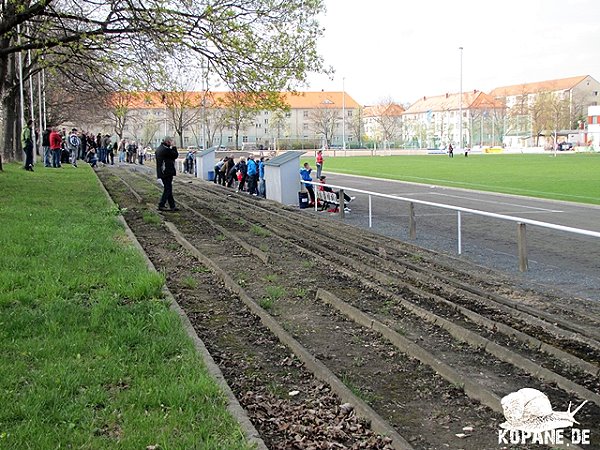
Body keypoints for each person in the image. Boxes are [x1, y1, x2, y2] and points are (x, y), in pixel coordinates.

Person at [156, 136, 179, 211]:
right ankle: (161, 204)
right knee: (168, 189)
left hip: (163, 171)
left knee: (168, 189)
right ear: (168, 142)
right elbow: (175, 155)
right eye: (171, 141)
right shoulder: (165, 150)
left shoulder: (160, 148)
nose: (171, 143)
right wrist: (174, 146)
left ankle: (172, 205)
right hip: (166, 172)